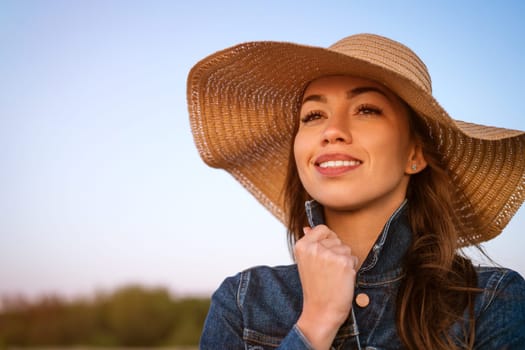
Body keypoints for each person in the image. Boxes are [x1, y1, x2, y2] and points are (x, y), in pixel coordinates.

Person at [186, 33, 525, 349]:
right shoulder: (243, 302)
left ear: (415, 154)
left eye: (366, 110)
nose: (332, 131)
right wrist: (316, 323)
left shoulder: (491, 300)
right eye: (313, 115)